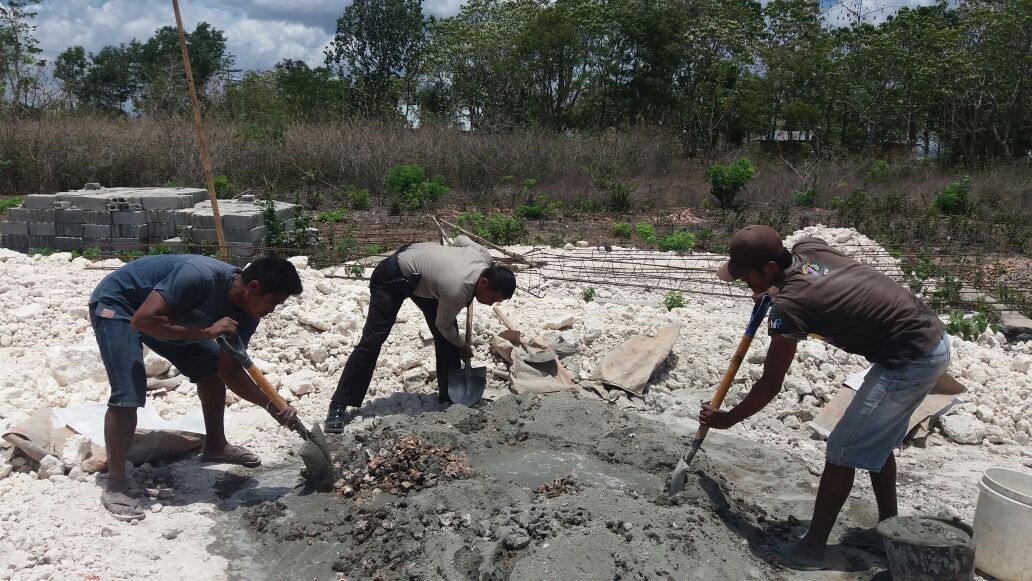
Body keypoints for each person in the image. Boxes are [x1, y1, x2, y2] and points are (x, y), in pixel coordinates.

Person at [699, 225, 949, 571]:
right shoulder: (808, 248)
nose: (746, 285)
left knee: (842, 450)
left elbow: (771, 382)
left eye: (747, 277)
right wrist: (775, 290)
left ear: (771, 267)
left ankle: (813, 549)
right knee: (877, 444)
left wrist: (727, 419)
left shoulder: (790, 307)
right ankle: (888, 530)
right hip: (926, 337)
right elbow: (811, 278)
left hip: (911, 358)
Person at [89, 254, 303, 521]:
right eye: (273, 302)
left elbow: (229, 370)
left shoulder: (247, 314)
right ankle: (116, 484)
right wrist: (205, 332)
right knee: (128, 393)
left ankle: (216, 445)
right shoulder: (199, 276)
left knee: (210, 369)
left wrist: (273, 406)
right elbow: (142, 320)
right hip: (121, 306)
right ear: (254, 287)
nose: (271, 310)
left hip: (168, 317)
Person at [325, 236, 516, 432]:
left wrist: (443, 265)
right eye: (492, 298)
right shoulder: (457, 290)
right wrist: (462, 346)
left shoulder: (483, 256)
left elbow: (460, 239)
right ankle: (339, 404)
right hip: (392, 275)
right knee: (373, 340)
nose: (491, 304)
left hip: (422, 278)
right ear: (483, 281)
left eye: (496, 302)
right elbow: (443, 325)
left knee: (449, 336)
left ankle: (449, 394)